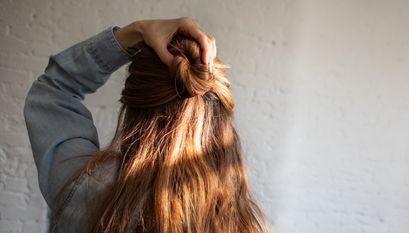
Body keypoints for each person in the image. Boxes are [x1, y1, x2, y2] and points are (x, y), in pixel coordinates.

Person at [24, 17, 267, 233]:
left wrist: (136, 32)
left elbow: (53, 91)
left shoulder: (84, 190)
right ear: (219, 116)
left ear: (132, 106)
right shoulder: (236, 220)